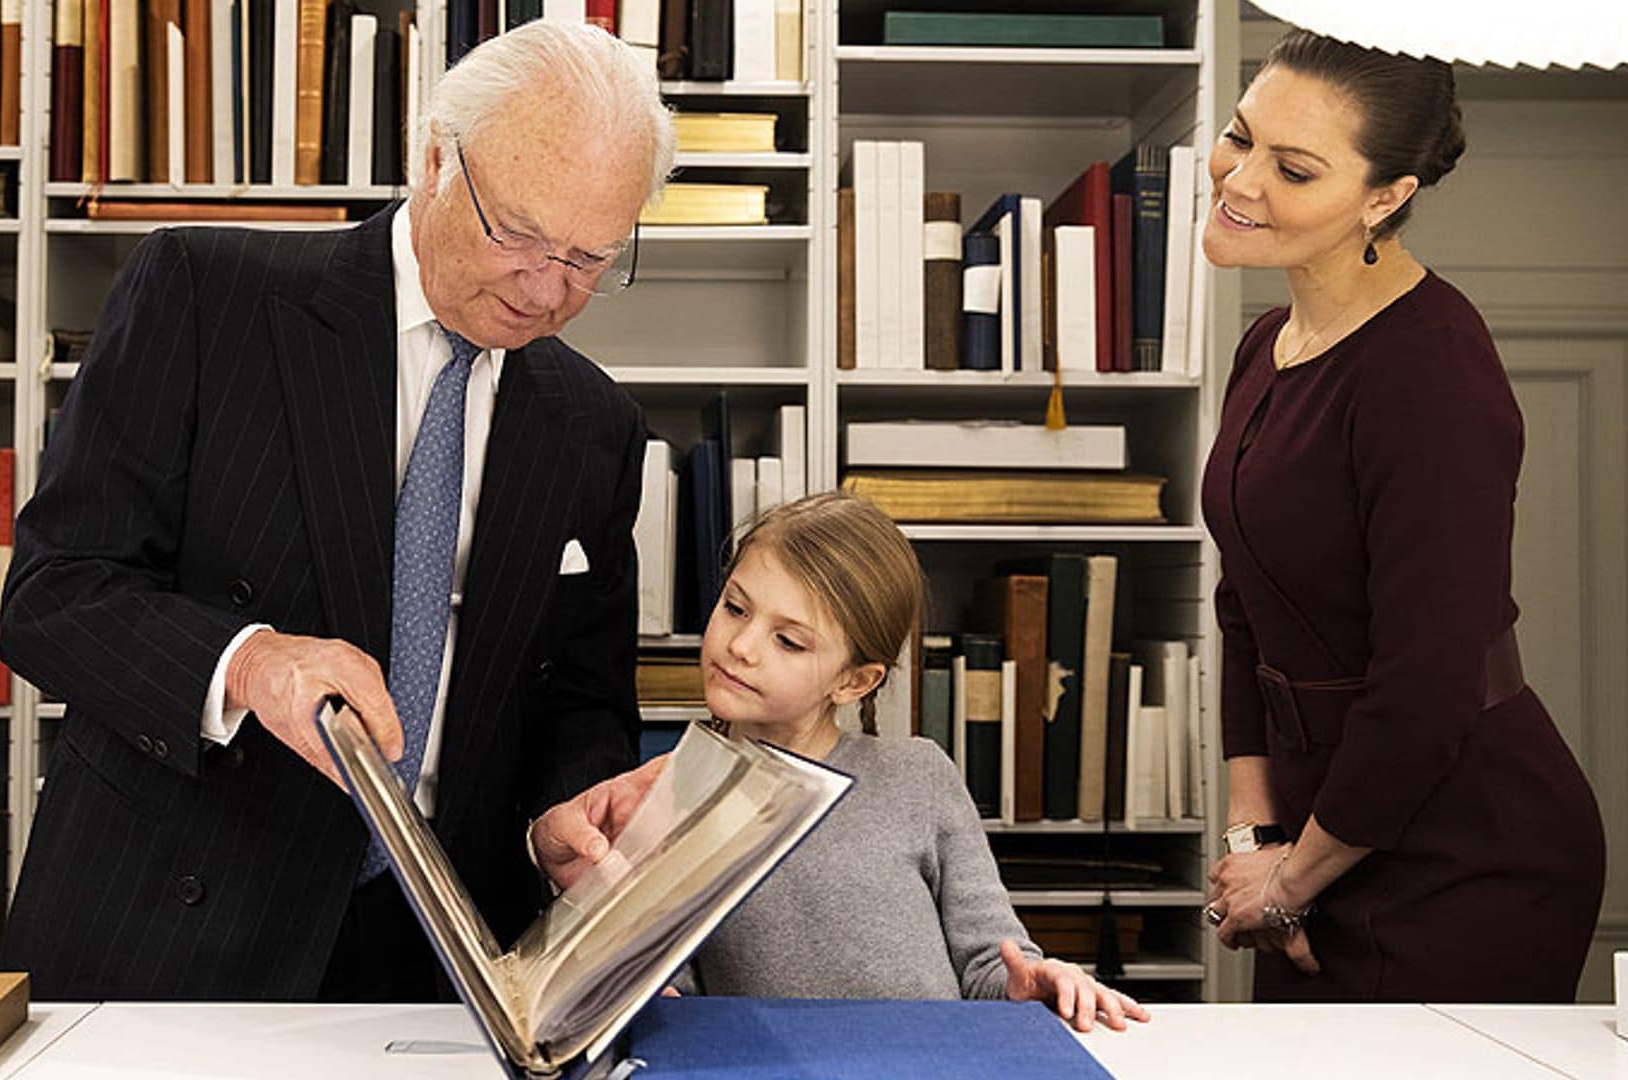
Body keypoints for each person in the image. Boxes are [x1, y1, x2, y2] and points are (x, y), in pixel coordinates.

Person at [0, 21, 678, 1002]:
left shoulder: (595, 424)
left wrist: (565, 818)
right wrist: (251, 662)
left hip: (443, 954)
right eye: (519, 234)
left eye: (590, 258)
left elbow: (579, 698)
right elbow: (54, 598)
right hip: (174, 931)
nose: (546, 289)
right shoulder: (204, 294)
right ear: (435, 157)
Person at [1199, 29, 1604, 1002]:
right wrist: (1254, 839)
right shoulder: (1269, 342)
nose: (1241, 181)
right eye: (1238, 137)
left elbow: (1427, 683)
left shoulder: (1430, 367)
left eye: (1292, 168)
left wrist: (1290, 882)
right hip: (1310, 834)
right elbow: (1243, 607)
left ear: (1387, 197)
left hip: (1461, 848)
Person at [664, 492, 1151, 1033]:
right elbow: (677, 985)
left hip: (928, 1061)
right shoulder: (671, 793)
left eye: (788, 641)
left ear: (854, 681)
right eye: (735, 608)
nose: (742, 646)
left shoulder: (918, 776)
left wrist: (1033, 980)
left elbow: (992, 965)